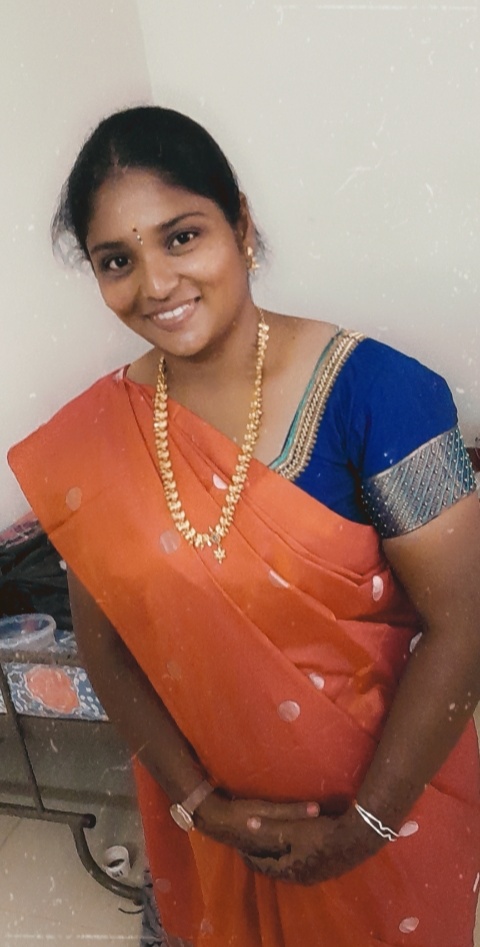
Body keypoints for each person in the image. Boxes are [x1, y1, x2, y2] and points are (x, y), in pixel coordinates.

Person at [8, 106, 480, 947]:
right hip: (213, 834)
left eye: (182, 237)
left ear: (242, 225)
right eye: (117, 260)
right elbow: (106, 648)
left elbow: (465, 623)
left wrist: (365, 827)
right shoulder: (99, 441)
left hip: (389, 820)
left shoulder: (386, 395)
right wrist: (202, 806)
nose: (155, 284)